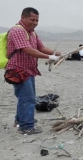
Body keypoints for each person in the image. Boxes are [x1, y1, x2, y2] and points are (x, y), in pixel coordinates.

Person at [6, 7, 61, 135]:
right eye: (32, 20)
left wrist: (59, 54)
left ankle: (20, 120)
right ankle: (26, 126)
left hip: (29, 70)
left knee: (25, 97)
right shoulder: (17, 30)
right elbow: (26, 49)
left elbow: (41, 47)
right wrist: (49, 57)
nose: (35, 23)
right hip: (18, 70)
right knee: (28, 98)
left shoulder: (32, 32)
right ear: (23, 17)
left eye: (37, 20)